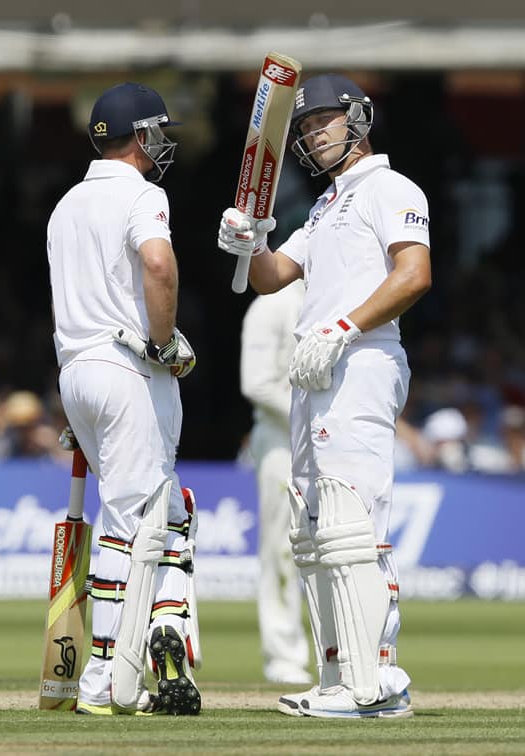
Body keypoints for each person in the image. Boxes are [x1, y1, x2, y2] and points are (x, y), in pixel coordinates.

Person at [218, 73, 431, 719]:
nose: (313, 133)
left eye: (324, 121)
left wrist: (343, 328)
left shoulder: (390, 188)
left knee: (354, 525)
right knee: (315, 532)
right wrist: (249, 236)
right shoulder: (324, 205)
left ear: (359, 119)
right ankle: (340, 678)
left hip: (360, 361)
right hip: (318, 371)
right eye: (306, 127)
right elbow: (271, 277)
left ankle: (379, 683)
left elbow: (415, 274)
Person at [47, 82, 201, 716]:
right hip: (127, 367)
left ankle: (152, 637)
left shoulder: (64, 205)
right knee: (133, 522)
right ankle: (106, 677)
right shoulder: (143, 193)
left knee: (166, 514)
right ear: (137, 137)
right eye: (156, 133)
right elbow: (158, 265)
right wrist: (162, 343)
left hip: (76, 373)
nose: (161, 145)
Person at [240, 279, 312, 685]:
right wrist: (312, 418)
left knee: (335, 549)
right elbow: (257, 383)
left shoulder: (338, 293)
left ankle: (339, 651)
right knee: (282, 549)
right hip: (282, 443)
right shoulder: (273, 304)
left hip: (329, 444)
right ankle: (284, 655)